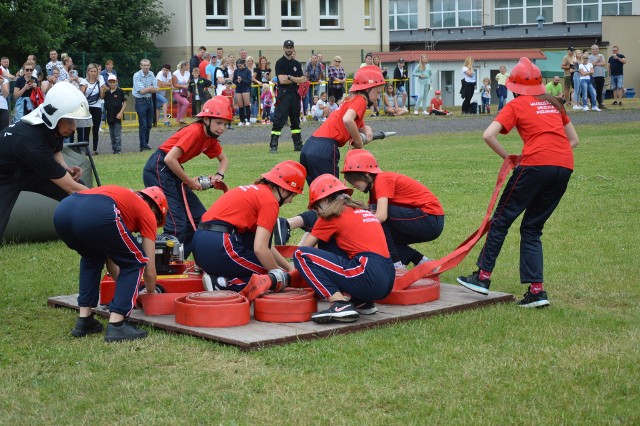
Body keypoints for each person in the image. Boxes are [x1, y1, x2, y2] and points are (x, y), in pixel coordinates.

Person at [456, 57, 580, 308]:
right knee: (532, 228)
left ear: (513, 86)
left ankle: (482, 277)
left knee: (501, 220)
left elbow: (488, 135)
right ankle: (536, 291)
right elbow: (574, 140)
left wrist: (510, 158)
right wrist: (552, 153)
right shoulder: (553, 103)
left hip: (534, 165)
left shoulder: (517, 104)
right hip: (564, 166)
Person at [273, 66, 385, 246]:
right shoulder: (361, 101)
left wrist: (367, 131)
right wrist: (358, 141)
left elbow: (358, 122)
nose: (378, 96)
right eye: (377, 92)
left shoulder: (353, 100)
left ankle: (303, 248)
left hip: (311, 147)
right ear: (367, 88)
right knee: (334, 203)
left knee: (323, 203)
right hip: (325, 149)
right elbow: (348, 120)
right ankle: (289, 223)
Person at [54, 185, 168, 342]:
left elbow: (112, 263)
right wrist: (150, 294)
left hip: (64, 210)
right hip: (97, 211)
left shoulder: (125, 203)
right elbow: (148, 269)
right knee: (135, 261)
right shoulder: (147, 212)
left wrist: (126, 292)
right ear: (156, 212)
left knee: (91, 258)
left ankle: (84, 321)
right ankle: (117, 325)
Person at [291, 174, 395, 323]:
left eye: (316, 207)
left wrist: (289, 278)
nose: (317, 212)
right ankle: (362, 301)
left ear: (324, 200)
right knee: (329, 242)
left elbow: (305, 249)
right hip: (387, 277)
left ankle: (340, 304)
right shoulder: (359, 210)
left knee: (301, 255)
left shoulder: (331, 215)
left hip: (366, 272)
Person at [192, 160, 306, 292]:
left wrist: (289, 269)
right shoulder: (269, 201)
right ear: (282, 189)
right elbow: (260, 249)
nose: (291, 201)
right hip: (219, 246)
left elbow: (266, 247)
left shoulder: (254, 191)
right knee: (269, 277)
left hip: (202, 244)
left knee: (272, 269)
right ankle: (224, 283)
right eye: (293, 195)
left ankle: (221, 277)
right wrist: (280, 275)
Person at [142, 96, 232, 258]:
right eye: (218, 123)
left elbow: (224, 160)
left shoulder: (210, 139)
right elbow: (169, 158)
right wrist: (189, 181)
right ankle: (159, 264)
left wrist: (219, 175)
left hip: (171, 170)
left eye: (225, 124)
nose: (222, 128)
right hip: (158, 168)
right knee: (177, 224)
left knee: (200, 220)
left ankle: (177, 260)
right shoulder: (194, 132)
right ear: (206, 119)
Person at [0, 81, 90, 240]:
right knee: (78, 191)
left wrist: (64, 168)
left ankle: (87, 233)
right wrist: (107, 198)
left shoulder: (51, 125)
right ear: (55, 117)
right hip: (4, 176)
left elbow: (55, 149)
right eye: (70, 120)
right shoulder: (31, 144)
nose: (74, 127)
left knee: (80, 189)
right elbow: (71, 188)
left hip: (27, 170)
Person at [342, 149, 445, 270]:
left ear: (366, 174)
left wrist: (357, 228)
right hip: (427, 221)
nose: (354, 185)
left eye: (354, 180)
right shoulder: (374, 192)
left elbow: (381, 216)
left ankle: (396, 265)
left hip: (430, 218)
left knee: (377, 218)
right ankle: (423, 262)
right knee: (380, 235)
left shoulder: (382, 179)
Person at [269, 40, 307, 153]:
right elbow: (281, 80)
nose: (289, 49)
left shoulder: (297, 64)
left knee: (295, 120)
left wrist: (290, 77)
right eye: (287, 47)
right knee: (279, 119)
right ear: (284, 48)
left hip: (295, 94)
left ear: (293, 48)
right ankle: (274, 144)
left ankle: (298, 144)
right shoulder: (280, 62)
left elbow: (303, 79)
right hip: (284, 94)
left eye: (291, 47)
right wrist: (295, 79)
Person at [79, 63, 106, 155]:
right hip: (87, 107)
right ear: (88, 72)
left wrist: (103, 91)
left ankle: (95, 149)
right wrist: (84, 90)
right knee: (86, 129)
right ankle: (86, 149)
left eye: (95, 71)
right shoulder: (83, 81)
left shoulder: (100, 82)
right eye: (91, 71)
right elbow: (81, 95)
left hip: (97, 107)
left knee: (95, 129)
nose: (93, 73)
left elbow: (102, 97)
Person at [132, 58, 158, 152]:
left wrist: (149, 88)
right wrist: (151, 88)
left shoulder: (151, 74)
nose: (146, 67)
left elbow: (156, 89)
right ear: (141, 66)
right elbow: (142, 91)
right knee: (143, 124)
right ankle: (142, 145)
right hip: (140, 101)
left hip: (149, 100)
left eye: (147, 65)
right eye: (144, 65)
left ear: (150, 65)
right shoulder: (136, 75)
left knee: (149, 124)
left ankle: (146, 144)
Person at [103, 74, 127, 154]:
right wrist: (103, 90)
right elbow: (102, 97)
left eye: (114, 82)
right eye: (110, 82)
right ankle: (114, 149)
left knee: (117, 134)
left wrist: (121, 113)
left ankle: (118, 149)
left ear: (116, 82)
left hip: (117, 115)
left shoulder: (120, 91)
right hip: (110, 115)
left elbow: (124, 102)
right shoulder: (107, 92)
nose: (112, 84)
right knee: (112, 135)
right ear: (108, 83)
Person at [233, 58, 252, 126]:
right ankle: (242, 120)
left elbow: (249, 81)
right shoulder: (236, 71)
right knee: (240, 105)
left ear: (244, 64)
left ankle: (248, 120)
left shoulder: (248, 71)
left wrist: (242, 80)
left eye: (241, 66)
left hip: (245, 88)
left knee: (247, 104)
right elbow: (234, 80)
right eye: (238, 66)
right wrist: (237, 81)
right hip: (238, 88)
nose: (239, 67)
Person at [172, 61, 191, 125]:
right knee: (186, 103)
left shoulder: (188, 73)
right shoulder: (175, 73)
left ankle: (178, 120)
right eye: (188, 65)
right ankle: (181, 118)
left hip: (184, 92)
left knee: (181, 105)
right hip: (176, 92)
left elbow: (188, 82)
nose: (189, 67)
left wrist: (188, 88)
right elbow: (174, 84)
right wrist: (183, 86)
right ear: (184, 66)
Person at [588, 44, 607, 110]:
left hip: (601, 75)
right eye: (593, 49)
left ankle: (600, 103)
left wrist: (595, 63)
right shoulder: (590, 57)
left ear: (598, 49)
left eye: (596, 49)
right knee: (593, 91)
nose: (595, 50)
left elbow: (604, 63)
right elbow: (590, 64)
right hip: (593, 76)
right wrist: (597, 59)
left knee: (600, 91)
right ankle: (593, 104)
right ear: (591, 50)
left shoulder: (602, 55)